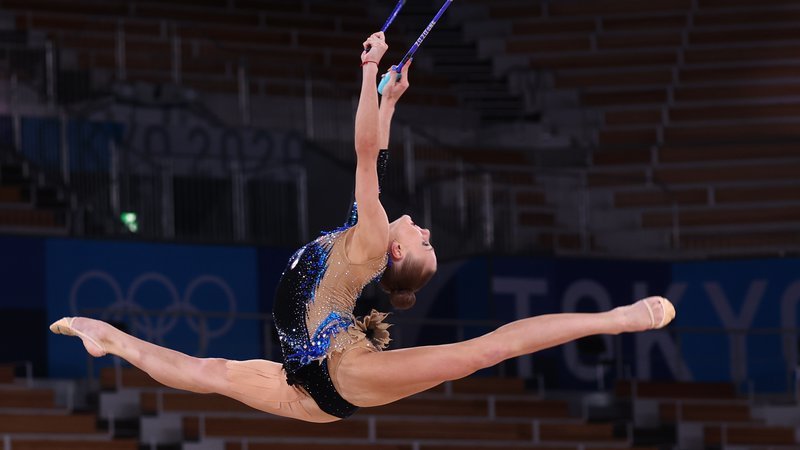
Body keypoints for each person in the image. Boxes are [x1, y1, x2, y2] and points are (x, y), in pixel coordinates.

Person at [50, 32, 676, 424]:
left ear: (397, 250)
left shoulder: (374, 240)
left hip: (342, 371)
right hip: (305, 378)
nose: (425, 228)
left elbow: (361, 154)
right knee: (201, 372)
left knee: (479, 353)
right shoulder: (367, 234)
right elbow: (374, 152)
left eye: (425, 241)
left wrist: (367, 72)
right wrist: (391, 100)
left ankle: (613, 319)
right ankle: (106, 337)